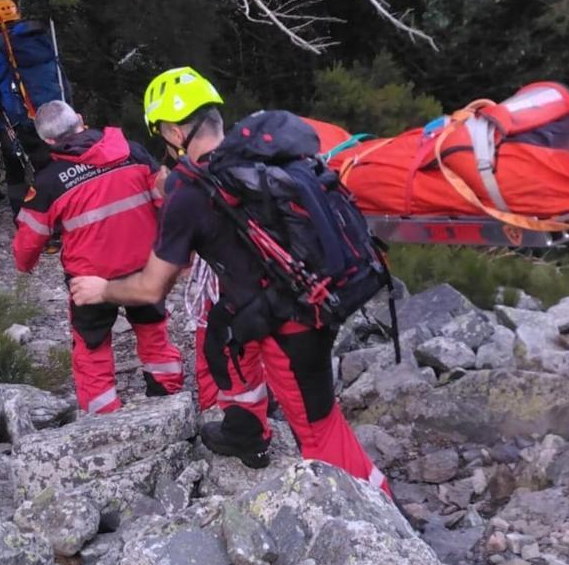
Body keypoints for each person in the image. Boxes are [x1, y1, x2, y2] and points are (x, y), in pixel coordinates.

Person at [68, 67, 388, 493]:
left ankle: (373, 506)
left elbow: (150, 288)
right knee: (219, 340)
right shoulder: (253, 158)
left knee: (317, 427)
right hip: (286, 299)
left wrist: (102, 289)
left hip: (291, 323)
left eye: (163, 131)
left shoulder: (190, 190)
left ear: (176, 131)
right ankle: (244, 429)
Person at [14, 100, 184, 414]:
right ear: (80, 120)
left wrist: (24, 265)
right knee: (153, 329)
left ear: (48, 141)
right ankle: (169, 395)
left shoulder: (50, 181)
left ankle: (104, 415)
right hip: (145, 268)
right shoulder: (131, 151)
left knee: (92, 346)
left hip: (89, 281)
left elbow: (29, 238)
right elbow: (165, 199)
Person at [0, 0, 70, 219]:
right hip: (55, 115)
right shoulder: (41, 39)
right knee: (53, 168)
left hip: (18, 120)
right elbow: (60, 78)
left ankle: (28, 223)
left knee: (16, 172)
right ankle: (64, 219)